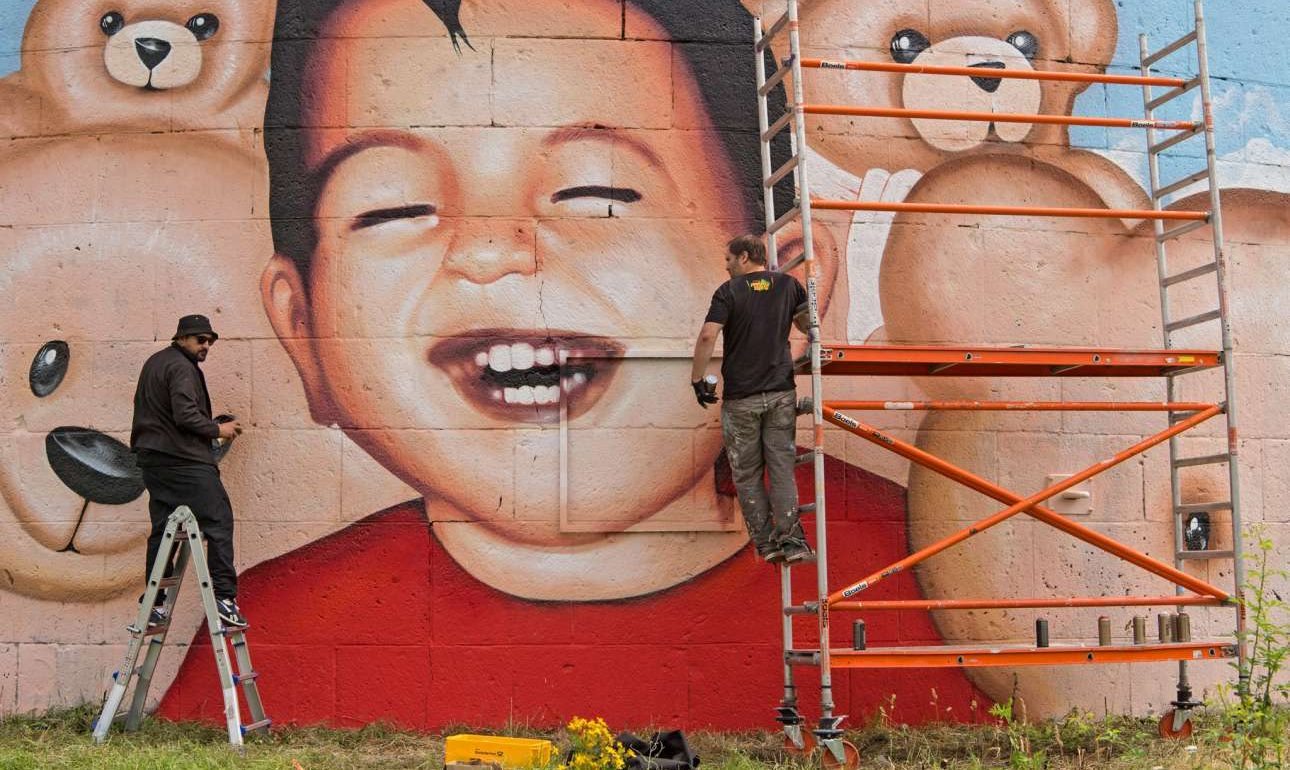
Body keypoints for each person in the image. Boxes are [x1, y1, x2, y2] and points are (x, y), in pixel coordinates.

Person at [156, 0, 986, 728]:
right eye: (393, 207)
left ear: (787, 282)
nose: (490, 250)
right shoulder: (273, 636)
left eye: (597, 193)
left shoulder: (948, 589)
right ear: (302, 331)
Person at [691, 235, 815, 564]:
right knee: (781, 469)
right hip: (780, 394)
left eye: (730, 259)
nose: (727, 265)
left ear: (744, 257)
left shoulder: (728, 292)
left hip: (741, 398)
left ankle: (766, 543)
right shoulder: (790, 286)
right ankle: (792, 541)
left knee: (746, 475)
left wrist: (697, 379)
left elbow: (707, 335)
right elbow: (807, 325)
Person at [130, 314, 246, 628]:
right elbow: (185, 415)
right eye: (200, 339)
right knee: (219, 521)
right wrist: (218, 429)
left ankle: (153, 606)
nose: (206, 345)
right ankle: (224, 599)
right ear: (181, 338)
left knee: (162, 531)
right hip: (184, 462)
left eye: (209, 341)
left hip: (155, 462)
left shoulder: (157, 362)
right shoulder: (181, 367)